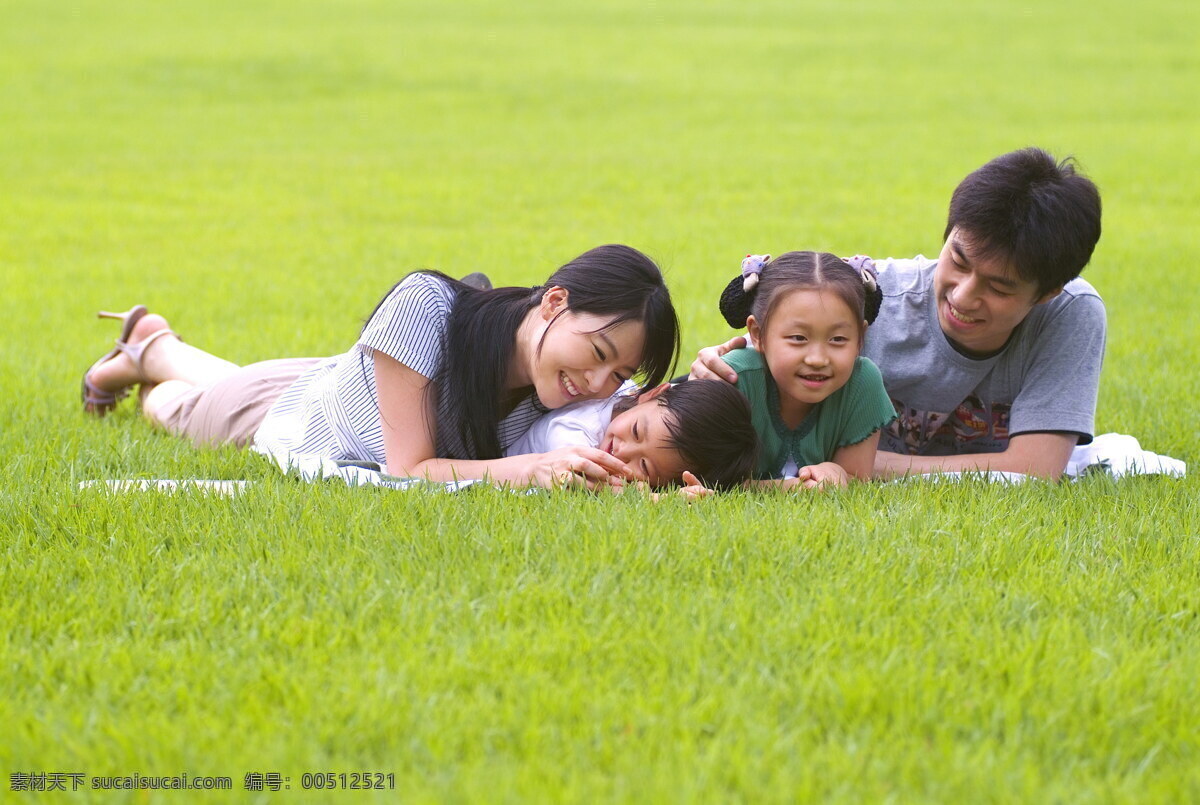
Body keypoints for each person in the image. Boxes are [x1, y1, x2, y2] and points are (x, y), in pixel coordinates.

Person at [81, 244, 682, 490]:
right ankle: (144, 362)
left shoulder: (569, 380)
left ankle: (151, 340)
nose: (599, 386)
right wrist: (531, 467)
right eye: (599, 355)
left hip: (347, 387)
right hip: (295, 416)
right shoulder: (426, 305)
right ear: (555, 302)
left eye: (618, 373)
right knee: (180, 411)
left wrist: (724, 364)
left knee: (231, 381)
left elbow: (668, 410)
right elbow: (410, 468)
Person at [691, 148, 1105, 480]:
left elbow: (1034, 469)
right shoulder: (866, 294)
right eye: (958, 262)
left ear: (1047, 293)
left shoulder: (1069, 314)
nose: (963, 296)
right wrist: (712, 375)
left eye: (998, 287)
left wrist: (857, 468)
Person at [709, 251, 897, 488]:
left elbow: (856, 479)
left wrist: (838, 475)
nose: (817, 359)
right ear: (757, 334)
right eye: (798, 338)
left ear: (860, 338)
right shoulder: (733, 380)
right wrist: (791, 489)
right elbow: (711, 482)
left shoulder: (862, 382)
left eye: (838, 339)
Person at [505, 379, 759, 491]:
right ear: (650, 394)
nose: (623, 452)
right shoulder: (580, 426)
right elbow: (583, 474)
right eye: (637, 431)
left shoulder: (637, 409)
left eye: (645, 466)